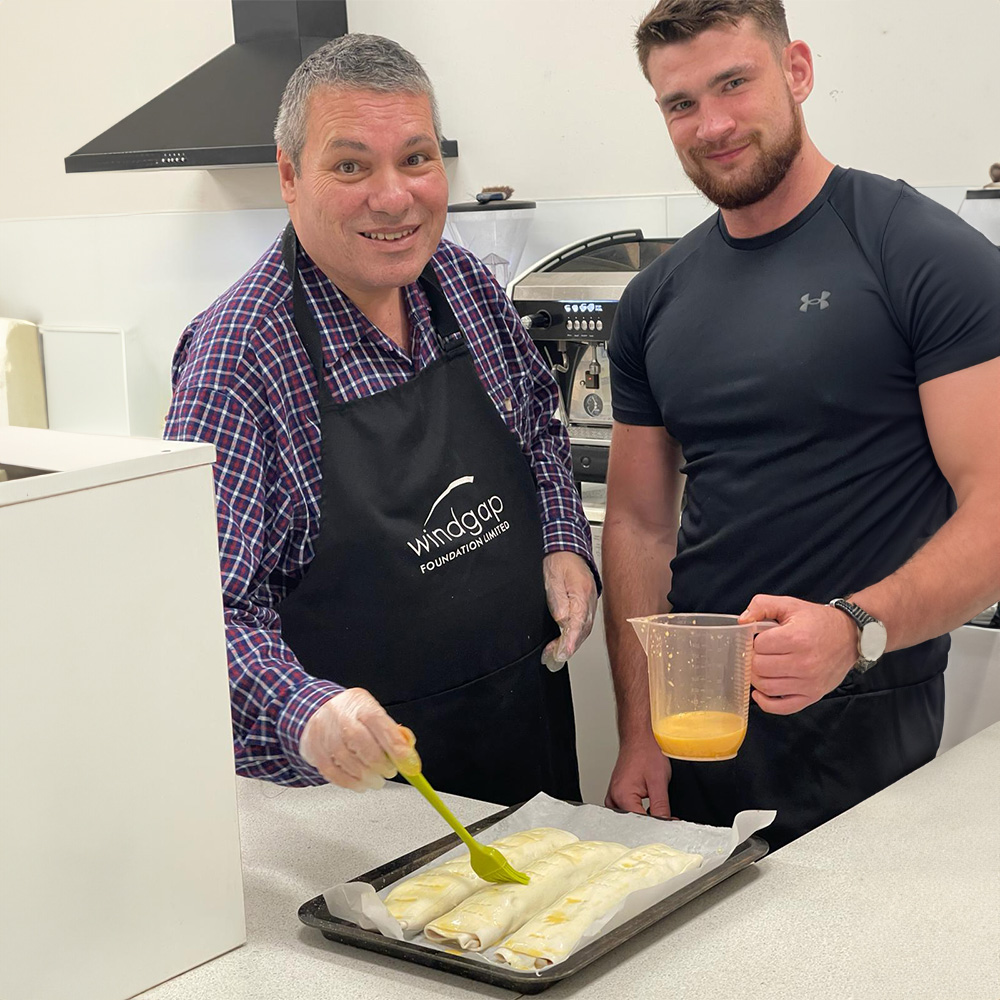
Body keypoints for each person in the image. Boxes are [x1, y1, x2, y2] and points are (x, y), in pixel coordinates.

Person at [603, 0, 1000, 849]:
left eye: (734, 83)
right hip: (698, 720)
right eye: (680, 103)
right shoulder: (655, 298)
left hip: (863, 704)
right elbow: (637, 522)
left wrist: (856, 628)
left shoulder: (920, 253)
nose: (711, 124)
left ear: (798, 71)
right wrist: (639, 728)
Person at [164, 33, 598, 804]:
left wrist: (564, 541)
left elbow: (536, 424)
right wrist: (308, 714)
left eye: (417, 159)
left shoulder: (463, 284)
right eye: (351, 165)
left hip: (524, 751)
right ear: (291, 176)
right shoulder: (238, 358)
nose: (394, 197)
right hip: (359, 808)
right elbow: (203, 613)